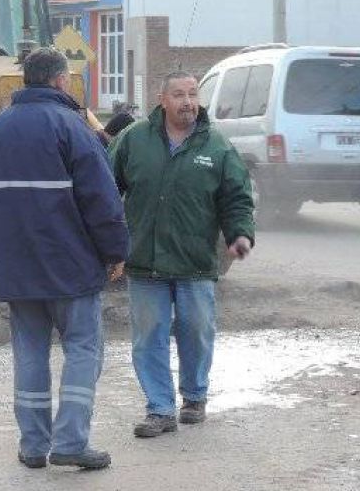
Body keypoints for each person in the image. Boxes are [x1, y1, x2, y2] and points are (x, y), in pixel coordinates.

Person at [0, 48, 129, 470]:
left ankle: (34, 446)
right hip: (70, 266)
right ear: (60, 81)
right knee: (83, 349)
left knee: (30, 353)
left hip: (15, 268)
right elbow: (102, 199)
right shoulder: (73, 128)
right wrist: (115, 251)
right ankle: (71, 441)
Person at [109, 71, 255, 438]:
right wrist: (106, 241)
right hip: (145, 260)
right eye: (179, 95)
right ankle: (159, 409)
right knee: (149, 334)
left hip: (194, 261)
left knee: (196, 329)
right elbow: (106, 190)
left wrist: (239, 234)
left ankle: (194, 396)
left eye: (193, 95)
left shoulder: (217, 146)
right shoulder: (133, 140)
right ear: (162, 99)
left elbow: (236, 197)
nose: (188, 102)